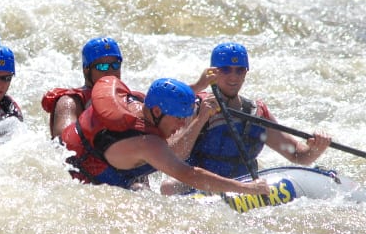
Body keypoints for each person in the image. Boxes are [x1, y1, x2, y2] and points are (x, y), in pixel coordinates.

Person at [161, 42, 331, 194]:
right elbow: (173, 157)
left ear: (246, 72)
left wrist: (317, 148)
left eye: (239, 70)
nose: (233, 76)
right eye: (226, 69)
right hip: (200, 184)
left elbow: (299, 156)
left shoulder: (256, 113)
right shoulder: (195, 107)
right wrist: (201, 119)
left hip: (244, 186)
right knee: (168, 187)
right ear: (213, 73)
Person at [60, 76, 270, 195]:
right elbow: (189, 174)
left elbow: (171, 150)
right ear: (158, 112)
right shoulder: (147, 144)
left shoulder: (140, 105)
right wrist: (246, 188)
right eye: (179, 117)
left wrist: (199, 96)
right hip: (79, 182)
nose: (182, 123)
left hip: (80, 156)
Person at [42, 36, 215, 139]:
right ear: (86, 69)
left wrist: (199, 86)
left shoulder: (127, 98)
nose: (110, 71)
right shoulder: (71, 101)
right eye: (102, 67)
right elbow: (63, 142)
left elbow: (161, 106)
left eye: (115, 65)